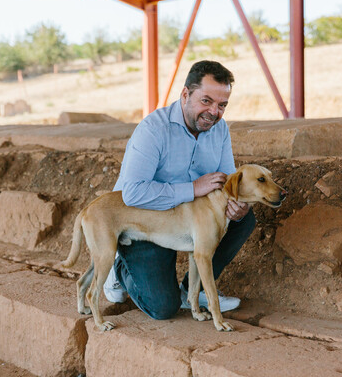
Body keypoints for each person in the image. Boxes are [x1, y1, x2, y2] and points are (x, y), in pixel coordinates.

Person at [104, 60, 256, 320]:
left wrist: (239, 206)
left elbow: (228, 180)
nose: (214, 112)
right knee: (163, 307)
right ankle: (119, 269)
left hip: (190, 219)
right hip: (145, 222)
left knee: (243, 219)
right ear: (185, 94)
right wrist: (193, 188)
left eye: (222, 105)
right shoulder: (153, 130)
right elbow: (132, 193)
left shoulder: (219, 129)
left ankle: (192, 290)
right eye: (206, 101)